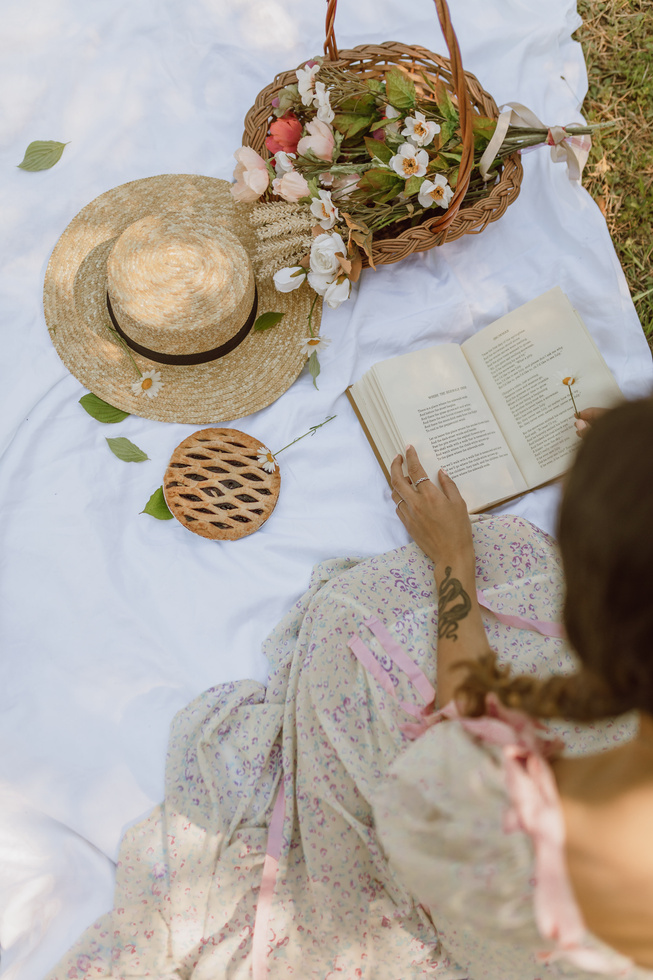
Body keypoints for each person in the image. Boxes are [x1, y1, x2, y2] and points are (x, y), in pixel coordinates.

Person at [47, 400, 652, 980]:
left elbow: (464, 720)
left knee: (354, 627)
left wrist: (452, 561)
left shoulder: (491, 808)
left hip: (490, 893)